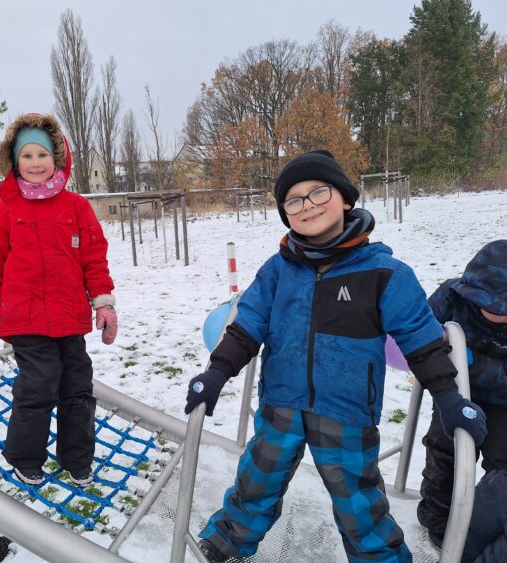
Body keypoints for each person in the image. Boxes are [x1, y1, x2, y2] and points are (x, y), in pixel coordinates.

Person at [184, 150, 487, 563]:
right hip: (281, 405)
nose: (307, 205)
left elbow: (421, 338)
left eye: (318, 192)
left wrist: (450, 397)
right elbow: (248, 323)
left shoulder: (384, 274)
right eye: (294, 200)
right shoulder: (278, 270)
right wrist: (217, 373)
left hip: (345, 412)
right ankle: (225, 544)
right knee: (256, 482)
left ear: (345, 198)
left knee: (358, 504)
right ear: (285, 215)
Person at [0, 113, 117, 488]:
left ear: (57, 158)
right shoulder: (1, 209)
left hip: (69, 316)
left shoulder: (76, 207)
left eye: (42, 155)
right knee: (40, 382)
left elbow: (93, 257)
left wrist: (103, 302)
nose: (35, 163)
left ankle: (77, 458)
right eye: (26, 156)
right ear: (13, 162)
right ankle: (25, 456)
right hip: (25, 316)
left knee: (77, 385)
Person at [416, 240, 507, 555]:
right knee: (445, 449)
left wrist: (469, 362)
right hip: (456, 394)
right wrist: (436, 357)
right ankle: (438, 520)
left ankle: (483, 523)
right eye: (499, 310)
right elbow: (419, 331)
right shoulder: (451, 299)